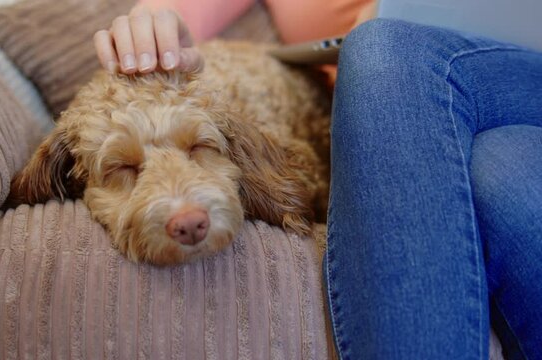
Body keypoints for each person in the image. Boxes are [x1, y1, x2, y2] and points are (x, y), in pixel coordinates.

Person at [94, 1, 542, 358]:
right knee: (501, 175)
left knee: (382, 46)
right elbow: (171, 17)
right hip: (414, 125)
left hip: (503, 72)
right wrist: (151, 28)